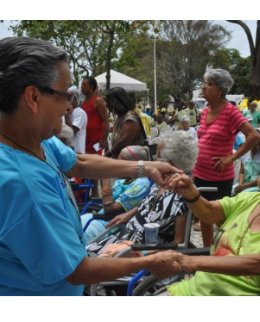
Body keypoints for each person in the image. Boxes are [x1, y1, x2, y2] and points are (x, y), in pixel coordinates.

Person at [0, 37, 184, 297]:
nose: (68, 106)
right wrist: (149, 262)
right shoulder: (23, 185)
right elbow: (78, 271)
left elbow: (80, 163)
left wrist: (146, 167)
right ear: (32, 97)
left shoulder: (31, 140)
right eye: (65, 94)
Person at [164, 145, 260, 297]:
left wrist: (188, 261)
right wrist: (190, 193)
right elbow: (210, 213)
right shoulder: (250, 199)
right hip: (191, 290)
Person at [88, 131, 199, 257]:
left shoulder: (184, 191)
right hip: (125, 239)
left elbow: (179, 242)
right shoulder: (160, 180)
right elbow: (150, 203)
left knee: (88, 267)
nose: (154, 160)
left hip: (140, 251)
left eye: (157, 158)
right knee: (81, 257)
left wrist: (143, 253)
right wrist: (128, 214)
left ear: (170, 162)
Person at [192, 66, 260, 247]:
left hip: (218, 177)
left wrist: (231, 158)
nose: (204, 87)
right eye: (204, 83)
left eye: (209, 84)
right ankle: (207, 254)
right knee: (203, 217)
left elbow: (254, 136)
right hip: (200, 173)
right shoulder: (205, 110)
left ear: (221, 90)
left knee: (222, 220)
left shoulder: (230, 111)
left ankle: (229, 253)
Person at [81, 145, 151, 243]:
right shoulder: (123, 181)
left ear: (131, 164)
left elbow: (109, 209)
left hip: (111, 226)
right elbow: (107, 198)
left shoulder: (141, 185)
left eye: (119, 163)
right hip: (98, 219)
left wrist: (106, 176)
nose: (116, 165)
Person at [81, 76, 110, 198]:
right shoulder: (83, 102)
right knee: (88, 167)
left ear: (91, 87)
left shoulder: (98, 101)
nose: (82, 87)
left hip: (95, 141)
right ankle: (91, 193)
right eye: (81, 84)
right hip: (85, 140)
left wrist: (104, 139)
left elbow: (106, 121)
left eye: (84, 85)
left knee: (97, 167)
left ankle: (100, 194)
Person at [105, 87, 147, 159]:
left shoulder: (130, 117)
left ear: (115, 103)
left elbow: (125, 141)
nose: (106, 105)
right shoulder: (121, 116)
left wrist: (109, 152)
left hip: (132, 161)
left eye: (108, 102)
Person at [233, 131, 260, 196]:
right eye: (254, 145)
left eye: (259, 144)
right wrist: (241, 185)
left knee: (244, 194)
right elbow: (242, 172)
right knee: (232, 191)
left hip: (258, 184)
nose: (257, 147)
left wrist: (244, 186)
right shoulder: (244, 152)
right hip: (245, 183)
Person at [65, 87, 88, 154]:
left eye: (70, 97)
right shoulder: (64, 111)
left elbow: (73, 130)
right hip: (67, 150)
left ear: (76, 99)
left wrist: (66, 115)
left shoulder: (80, 112)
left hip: (77, 151)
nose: (67, 99)